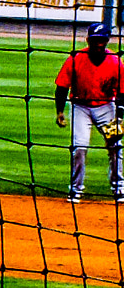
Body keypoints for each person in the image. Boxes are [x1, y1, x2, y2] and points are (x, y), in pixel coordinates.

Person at [54, 22, 124, 203]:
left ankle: (119, 188)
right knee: (79, 147)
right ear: (88, 40)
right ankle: (76, 189)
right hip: (80, 107)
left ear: (107, 40)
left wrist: (119, 118)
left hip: (106, 107)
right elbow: (61, 87)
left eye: (102, 40)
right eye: (95, 40)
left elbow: (123, 93)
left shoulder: (116, 62)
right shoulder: (76, 58)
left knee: (115, 147)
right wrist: (60, 112)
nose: (98, 44)